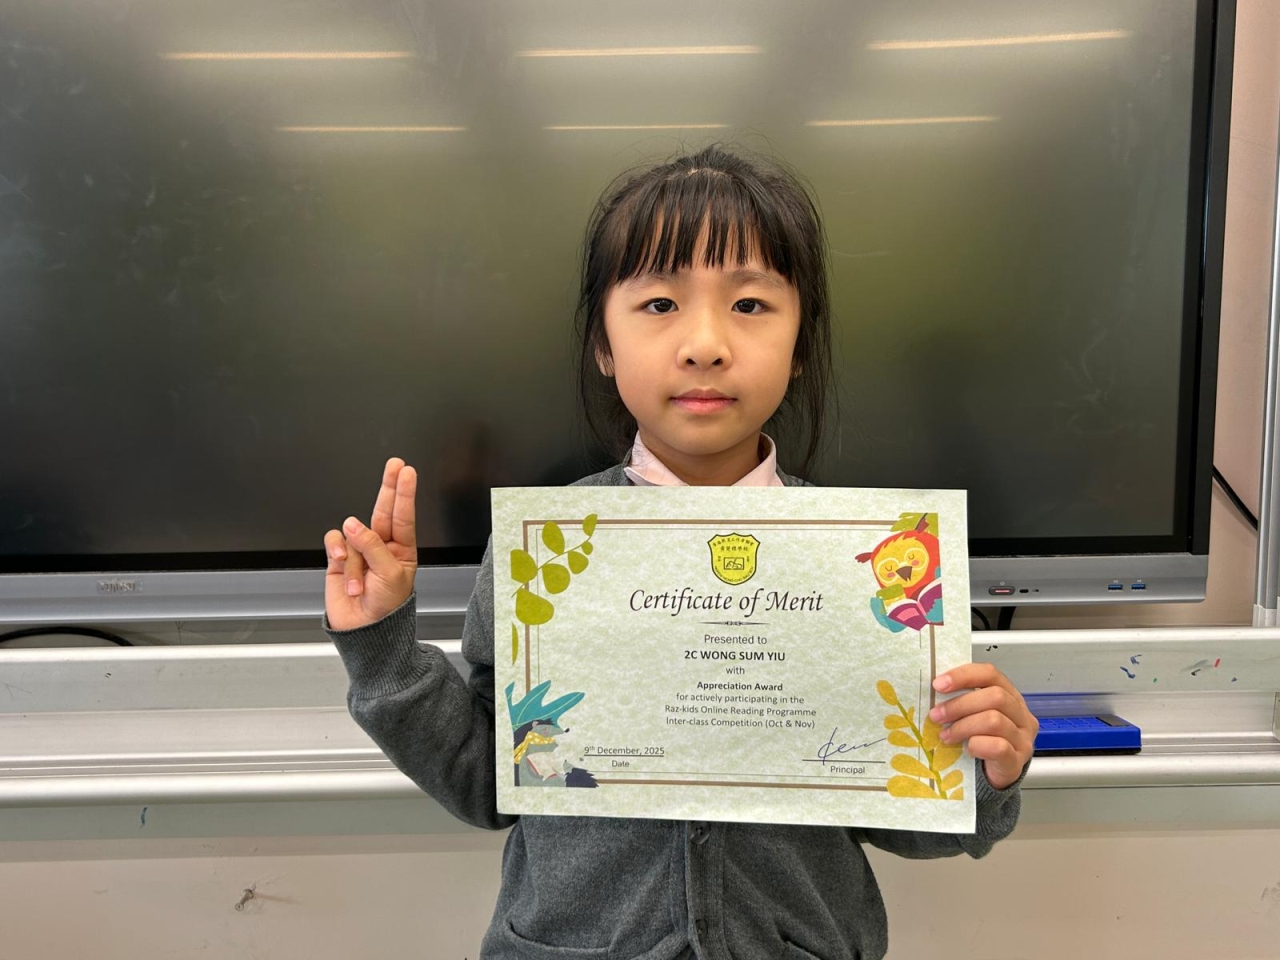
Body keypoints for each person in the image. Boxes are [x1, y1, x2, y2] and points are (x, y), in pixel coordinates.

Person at [321, 145, 1039, 960]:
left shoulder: (878, 563)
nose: (704, 344)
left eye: (751, 304)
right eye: (659, 303)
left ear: (801, 343)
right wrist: (381, 646)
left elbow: (909, 813)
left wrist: (989, 767)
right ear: (603, 343)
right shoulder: (548, 551)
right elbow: (493, 781)